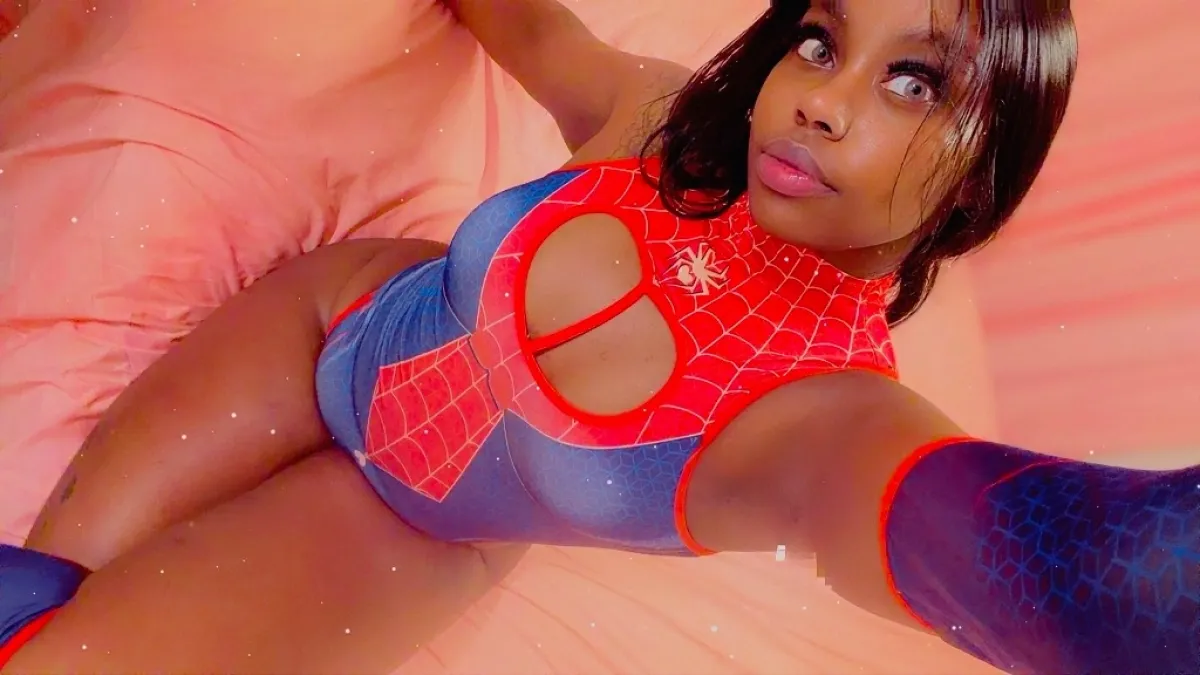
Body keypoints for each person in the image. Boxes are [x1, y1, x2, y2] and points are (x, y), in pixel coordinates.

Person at [1, 0, 1195, 673]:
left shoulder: (827, 414)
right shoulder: (662, 125)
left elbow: (987, 538)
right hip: (326, 315)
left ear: (981, 176)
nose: (822, 100)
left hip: (397, 523)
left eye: (916, 83)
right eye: (823, 41)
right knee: (27, 591)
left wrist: (1154, 580)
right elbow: (525, 23)